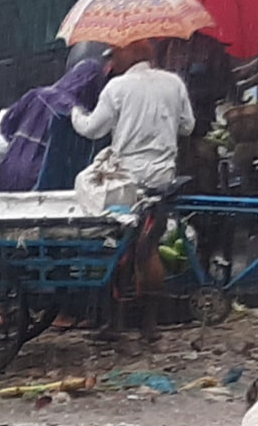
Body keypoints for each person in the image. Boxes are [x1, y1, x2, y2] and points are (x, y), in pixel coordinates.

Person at [71, 39, 195, 338]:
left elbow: (92, 129)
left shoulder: (117, 88)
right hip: (162, 179)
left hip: (127, 183)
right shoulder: (173, 82)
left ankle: (116, 322)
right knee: (148, 248)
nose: (112, 61)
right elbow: (188, 126)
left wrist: (74, 111)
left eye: (114, 54)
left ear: (129, 54)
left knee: (118, 248)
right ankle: (150, 324)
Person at [0, 59, 107, 193]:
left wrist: (20, 145)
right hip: (39, 176)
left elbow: (5, 125)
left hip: (9, 167)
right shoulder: (76, 113)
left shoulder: (37, 94)